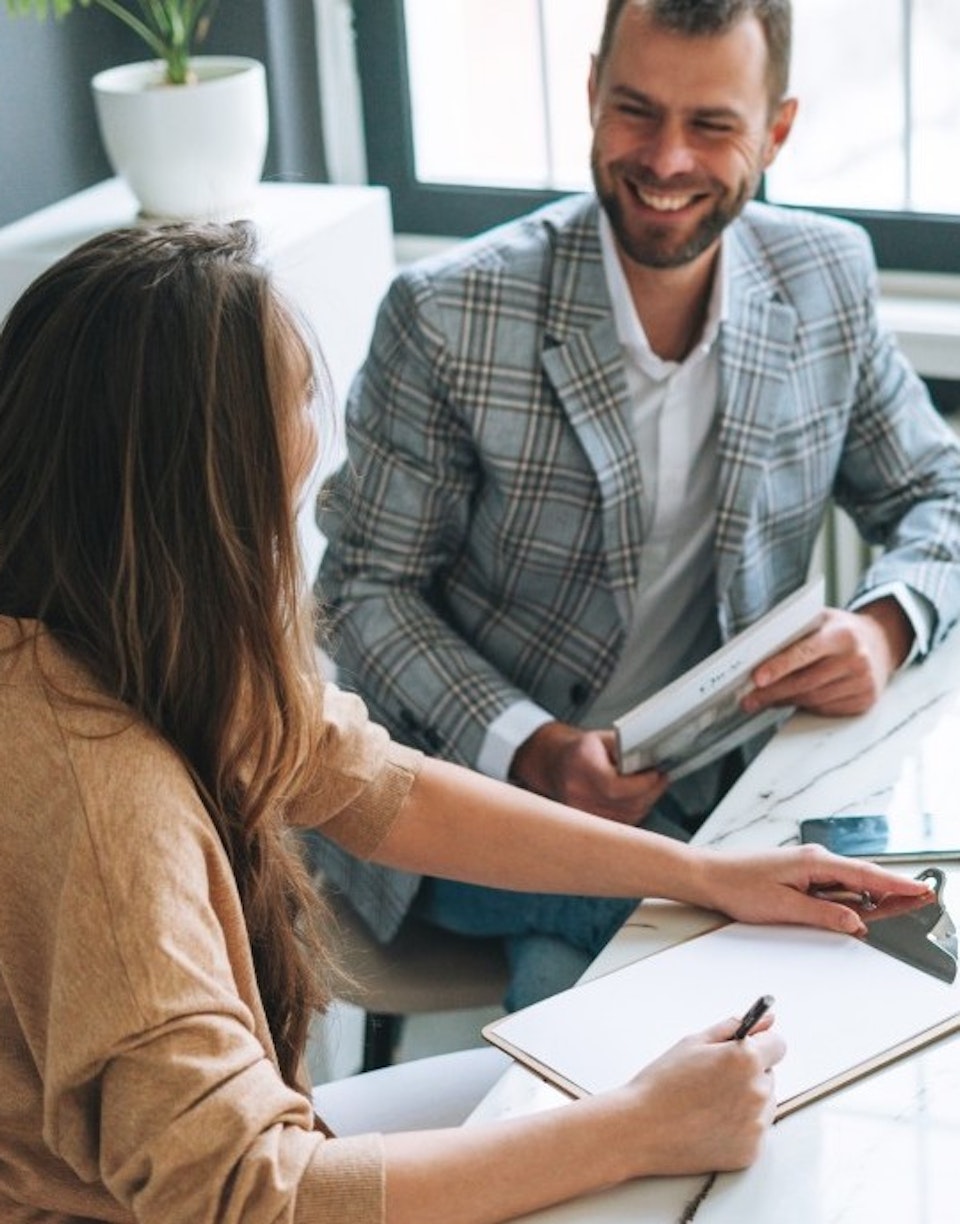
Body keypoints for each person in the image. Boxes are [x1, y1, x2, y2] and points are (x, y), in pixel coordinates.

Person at [0, 221, 933, 1224]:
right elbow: (246, 1195)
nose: (319, 445)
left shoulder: (123, 638)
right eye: (303, 401)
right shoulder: (106, 798)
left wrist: (705, 873)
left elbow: (375, 785)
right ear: (211, 479)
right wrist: (637, 1128)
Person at [314, 0, 960, 1007]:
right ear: (589, 95)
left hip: (730, 791)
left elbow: (939, 493)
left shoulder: (826, 276)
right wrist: (532, 746)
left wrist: (882, 627)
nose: (665, 160)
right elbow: (362, 590)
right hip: (474, 804)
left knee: (578, 975)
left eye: (712, 125)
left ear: (775, 131)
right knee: (836, 948)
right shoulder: (447, 315)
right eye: (635, 112)